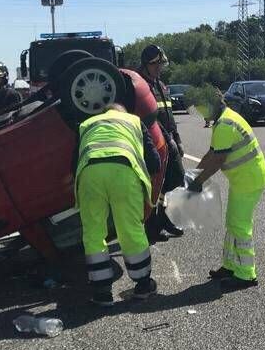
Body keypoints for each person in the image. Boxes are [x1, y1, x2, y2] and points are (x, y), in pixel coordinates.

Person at [187, 88, 265, 290]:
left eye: (200, 110)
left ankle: (246, 275)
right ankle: (230, 266)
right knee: (232, 222)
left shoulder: (225, 124)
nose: (200, 114)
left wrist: (197, 182)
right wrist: (193, 175)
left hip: (249, 180)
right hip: (244, 179)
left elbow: (217, 160)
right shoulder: (224, 119)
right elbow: (211, 153)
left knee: (240, 225)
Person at [75, 104, 161, 306]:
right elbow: (154, 161)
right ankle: (142, 285)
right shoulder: (134, 121)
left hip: (89, 173)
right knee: (129, 229)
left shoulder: (86, 124)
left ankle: (102, 292)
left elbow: (74, 161)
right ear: (124, 111)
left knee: (94, 232)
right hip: (123, 172)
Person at [137, 44, 185, 242]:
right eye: (155, 64)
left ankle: (162, 218)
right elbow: (149, 119)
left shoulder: (160, 85)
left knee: (175, 179)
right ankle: (152, 226)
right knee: (154, 185)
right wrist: (167, 138)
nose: (159, 68)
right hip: (154, 144)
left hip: (169, 141)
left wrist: (177, 139)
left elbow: (168, 116)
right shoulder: (141, 87)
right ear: (145, 65)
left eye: (161, 64)